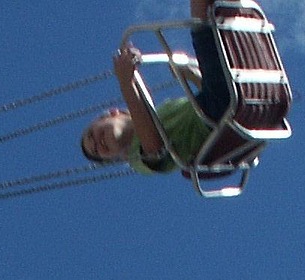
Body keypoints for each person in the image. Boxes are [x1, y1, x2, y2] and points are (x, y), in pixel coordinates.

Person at [81, 1, 235, 175]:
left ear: (112, 113)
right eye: (96, 151)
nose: (96, 143)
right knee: (203, 18)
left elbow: (211, 97)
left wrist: (190, 74)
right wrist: (126, 82)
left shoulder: (165, 110)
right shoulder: (138, 161)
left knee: (221, 15)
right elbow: (155, 150)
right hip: (220, 121)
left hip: (225, 105)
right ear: (115, 158)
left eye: (91, 135)